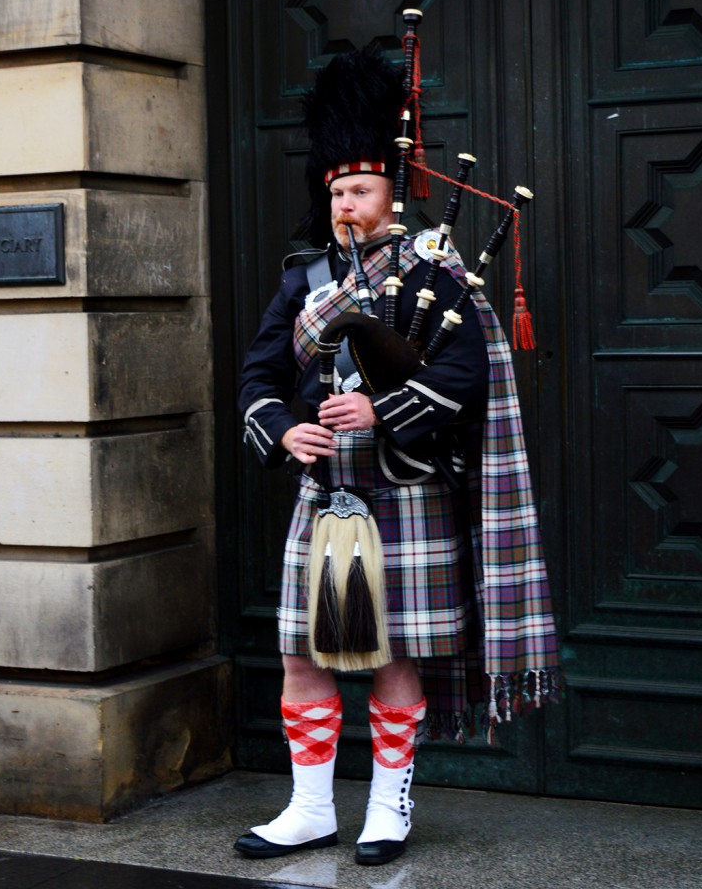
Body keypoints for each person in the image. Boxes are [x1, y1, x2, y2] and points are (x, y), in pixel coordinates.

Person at [235, 48, 559, 867]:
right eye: (335, 192)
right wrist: (281, 428)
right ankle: (309, 808)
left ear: (393, 191)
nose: (344, 205)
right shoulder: (301, 278)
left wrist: (377, 411)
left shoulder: (440, 275)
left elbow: (463, 376)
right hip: (324, 494)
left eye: (360, 191)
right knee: (301, 655)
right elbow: (261, 372)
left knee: (394, 654)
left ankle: (388, 809)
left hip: (402, 492)